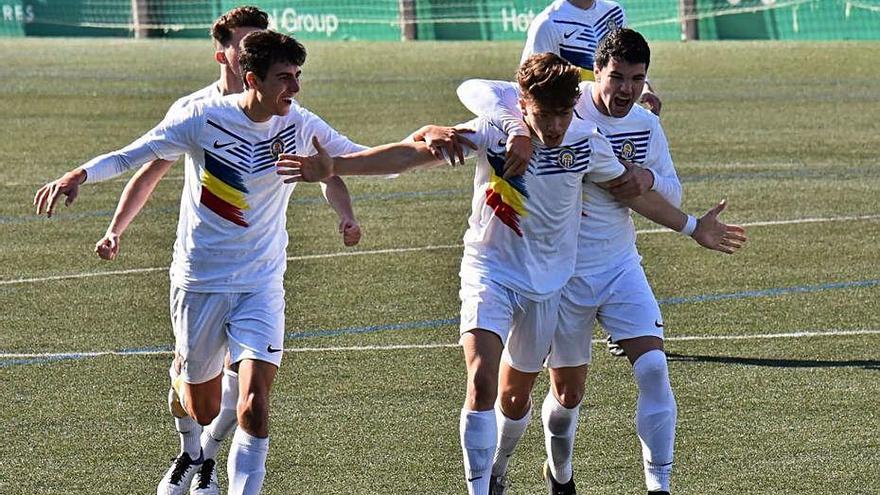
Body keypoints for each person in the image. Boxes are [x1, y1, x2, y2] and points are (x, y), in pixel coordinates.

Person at [276, 52, 738, 495]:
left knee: (519, 401)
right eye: (544, 115)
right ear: (522, 106)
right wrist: (335, 166)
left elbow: (630, 192)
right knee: (480, 380)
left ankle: (516, 468)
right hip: (490, 271)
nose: (555, 127)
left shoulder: (585, 142)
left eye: (563, 114)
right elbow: (407, 155)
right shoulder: (494, 133)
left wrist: (694, 227)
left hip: (548, 288)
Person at [33, 30, 363, 495]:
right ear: (252, 77)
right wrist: (81, 174)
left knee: (254, 402)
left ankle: (224, 476)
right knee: (203, 406)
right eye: (285, 78)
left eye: (297, 76)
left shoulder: (301, 124)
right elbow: (136, 154)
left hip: (260, 282)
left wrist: (423, 148)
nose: (295, 87)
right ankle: (192, 439)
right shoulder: (200, 117)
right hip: (200, 280)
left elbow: (354, 158)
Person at [456, 29, 747, 495]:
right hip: (560, 275)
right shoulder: (566, 107)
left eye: (637, 79)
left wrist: (649, 179)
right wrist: (513, 127)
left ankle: (659, 486)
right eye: (617, 77)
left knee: (653, 367)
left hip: (619, 265)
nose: (627, 89)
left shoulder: (646, 124)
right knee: (544, 395)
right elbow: (476, 89)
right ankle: (522, 468)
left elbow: (667, 191)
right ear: (596, 73)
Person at [522, 0, 661, 114]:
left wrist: (645, 88)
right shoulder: (548, 24)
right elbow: (530, 84)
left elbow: (628, 57)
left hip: (610, 115)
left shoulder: (615, 11)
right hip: (572, 121)